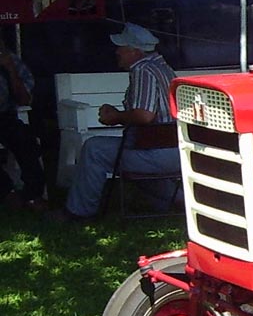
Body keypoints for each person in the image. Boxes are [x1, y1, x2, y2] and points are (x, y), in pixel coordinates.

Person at [55, 23, 179, 221]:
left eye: (121, 47)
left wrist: (115, 117)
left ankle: (79, 212)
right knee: (119, 153)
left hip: (155, 153)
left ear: (134, 51)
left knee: (94, 149)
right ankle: (174, 202)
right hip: (172, 149)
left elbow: (144, 115)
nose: (117, 52)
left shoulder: (143, 70)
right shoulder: (163, 68)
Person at [0, 41, 47, 210]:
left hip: (5, 116)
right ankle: (7, 192)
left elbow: (24, 100)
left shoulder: (9, 59)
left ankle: (33, 195)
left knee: (25, 140)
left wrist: (11, 70)